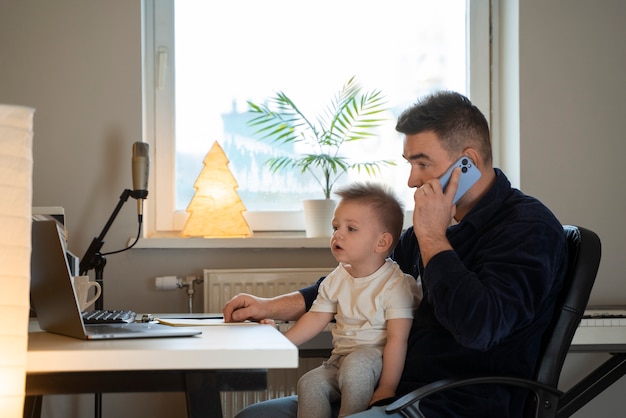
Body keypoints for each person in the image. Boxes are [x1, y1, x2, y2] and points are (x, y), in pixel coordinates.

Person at [223, 91, 568, 418]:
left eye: (423, 164)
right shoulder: (435, 224)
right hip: (392, 390)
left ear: (468, 163)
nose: (412, 181)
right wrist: (269, 307)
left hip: (454, 403)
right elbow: (360, 278)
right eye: (409, 164)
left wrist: (433, 236)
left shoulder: (528, 228)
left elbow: (479, 328)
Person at [270, 183, 421, 418]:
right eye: (335, 227)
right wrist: (281, 343)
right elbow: (316, 316)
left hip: (374, 359)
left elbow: (397, 339)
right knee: (309, 382)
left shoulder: (395, 284)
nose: (338, 234)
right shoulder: (337, 277)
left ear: (381, 242)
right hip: (339, 359)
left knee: (355, 368)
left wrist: (387, 387)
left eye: (351, 229)